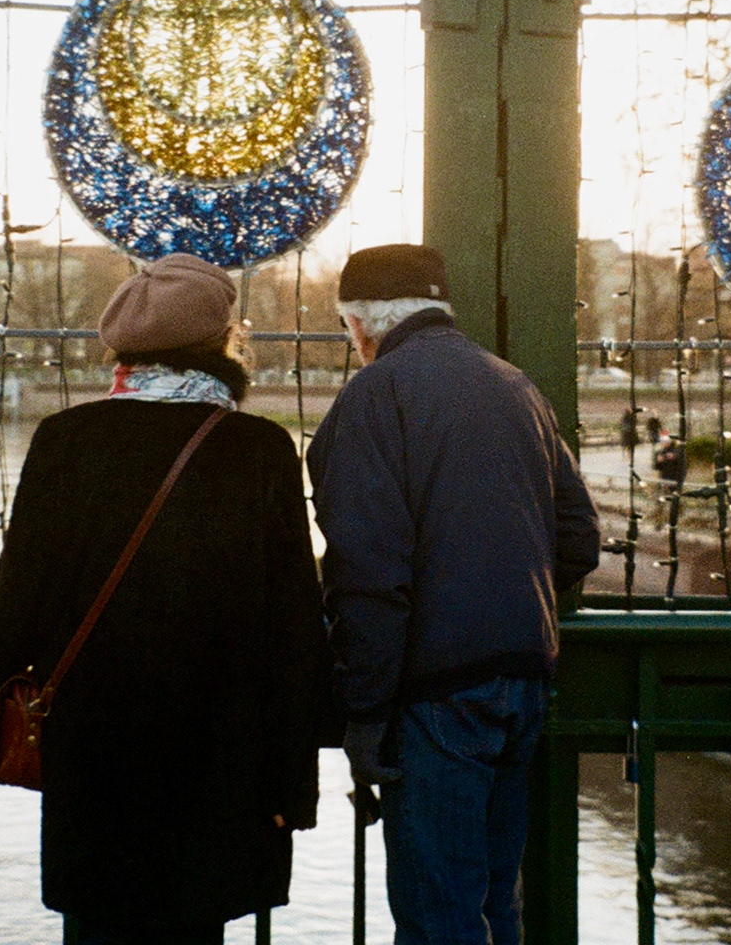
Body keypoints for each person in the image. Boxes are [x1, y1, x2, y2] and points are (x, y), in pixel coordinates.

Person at [0, 253, 328, 945]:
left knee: (97, 923)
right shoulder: (256, 448)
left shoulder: (65, 442)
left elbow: (17, 601)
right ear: (222, 345)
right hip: (218, 759)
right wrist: (291, 783)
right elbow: (292, 624)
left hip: (92, 753)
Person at [306, 244, 602, 945]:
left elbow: (368, 575)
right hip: (524, 677)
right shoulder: (515, 385)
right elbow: (578, 537)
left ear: (358, 325)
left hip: (431, 696)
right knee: (497, 906)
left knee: (438, 913)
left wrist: (366, 713)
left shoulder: (373, 398)